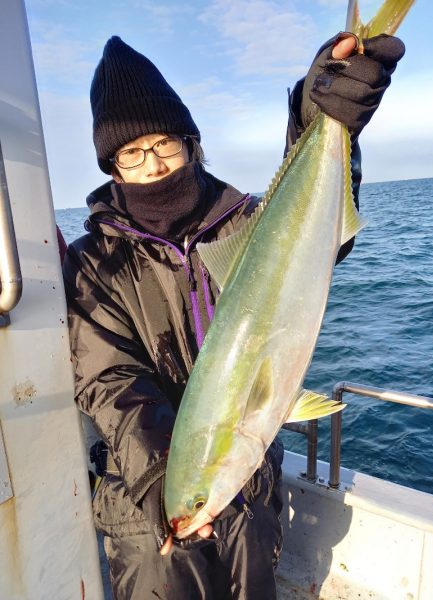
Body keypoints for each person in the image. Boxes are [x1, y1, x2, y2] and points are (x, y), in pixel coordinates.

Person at [63, 32, 405, 600]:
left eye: (165, 144)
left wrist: (319, 118)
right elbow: (109, 381)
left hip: (246, 491)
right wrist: (172, 493)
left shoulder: (245, 223)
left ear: (191, 144)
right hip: (146, 499)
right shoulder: (93, 261)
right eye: (132, 152)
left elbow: (313, 234)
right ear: (113, 165)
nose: (152, 165)